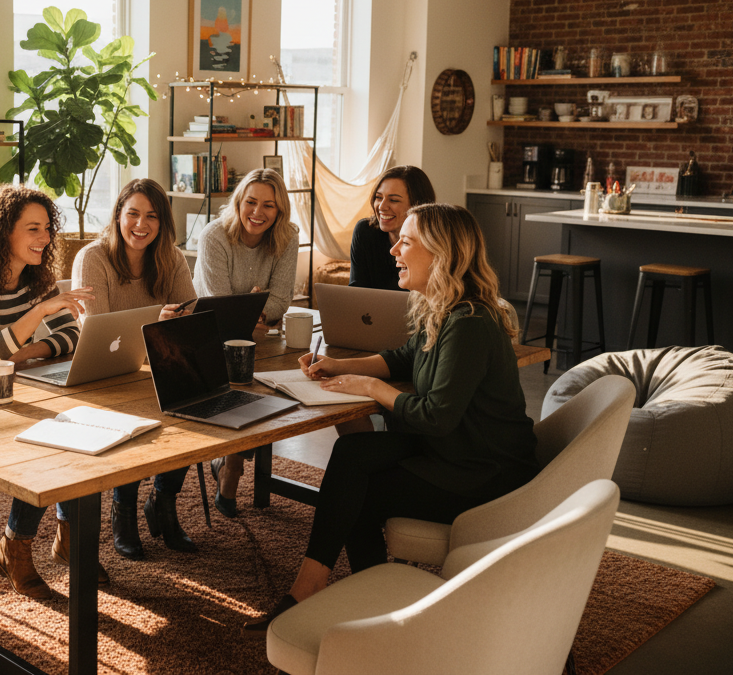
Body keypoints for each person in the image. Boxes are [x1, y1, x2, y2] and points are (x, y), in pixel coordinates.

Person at [244, 203, 539, 632]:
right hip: (454, 449)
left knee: (357, 491)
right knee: (351, 454)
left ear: (442, 253)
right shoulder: (442, 306)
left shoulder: (470, 321)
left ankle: (350, 598)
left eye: (407, 240)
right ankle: (332, 590)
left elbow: (436, 416)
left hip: (483, 471)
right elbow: (403, 359)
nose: (394, 249)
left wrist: (370, 389)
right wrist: (342, 367)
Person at [0, 185, 101, 599]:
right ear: (2, 231)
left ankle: (66, 535)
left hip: (14, 390)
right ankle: (16, 545)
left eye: (46, 228)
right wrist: (38, 314)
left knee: (81, 428)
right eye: (32, 229)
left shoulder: (36, 276)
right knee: (47, 442)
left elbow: (71, 339)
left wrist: (23, 350)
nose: (44, 238)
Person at [72, 178, 199, 560]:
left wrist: (163, 326)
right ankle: (123, 509)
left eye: (152, 217)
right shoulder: (93, 258)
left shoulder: (170, 258)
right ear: (118, 215)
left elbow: (190, 312)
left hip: (157, 365)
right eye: (133, 214)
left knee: (197, 403)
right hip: (108, 375)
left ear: (162, 223)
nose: (141, 225)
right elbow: (99, 330)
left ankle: (163, 500)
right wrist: (152, 323)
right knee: (136, 411)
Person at [193, 168, 299, 518]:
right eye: (251, 202)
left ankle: (232, 460)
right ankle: (234, 468)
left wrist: (255, 310)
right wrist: (255, 308)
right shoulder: (215, 237)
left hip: (260, 337)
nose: (258, 212)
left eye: (269, 205)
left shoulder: (288, 237)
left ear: (280, 210)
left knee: (280, 384)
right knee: (245, 381)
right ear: (238, 202)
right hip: (207, 338)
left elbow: (281, 300)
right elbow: (219, 306)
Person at [349, 165, 435, 290]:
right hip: (372, 310)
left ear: (419, 205)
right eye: (378, 197)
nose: (382, 207)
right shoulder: (365, 231)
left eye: (393, 200)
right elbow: (356, 290)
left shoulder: (433, 240)